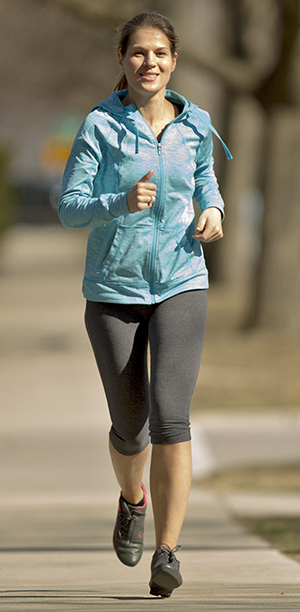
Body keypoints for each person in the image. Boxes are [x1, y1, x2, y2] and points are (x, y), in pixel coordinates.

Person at [58, 11, 232, 599]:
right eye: (138, 53)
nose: (149, 62)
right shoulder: (100, 127)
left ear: (174, 61)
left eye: (159, 53)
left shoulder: (195, 124)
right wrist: (120, 199)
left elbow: (206, 180)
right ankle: (133, 501)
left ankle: (169, 552)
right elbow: (70, 206)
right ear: (123, 61)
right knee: (130, 430)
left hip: (183, 280)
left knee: (170, 418)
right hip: (113, 291)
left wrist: (214, 211)